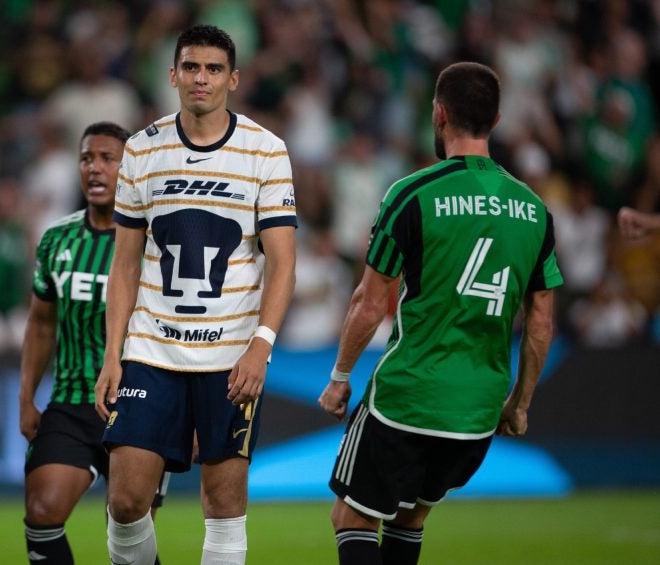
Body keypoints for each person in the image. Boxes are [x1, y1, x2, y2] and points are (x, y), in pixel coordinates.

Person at [318, 61, 563, 565]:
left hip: (409, 396)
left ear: (439, 114)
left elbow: (368, 303)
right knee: (410, 517)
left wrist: (341, 375)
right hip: (478, 408)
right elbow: (541, 320)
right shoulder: (535, 210)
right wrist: (520, 402)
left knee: (352, 517)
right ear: (496, 120)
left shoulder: (411, 195)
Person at [94, 24, 297, 565]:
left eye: (212, 69)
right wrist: (112, 354)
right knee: (125, 500)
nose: (199, 79)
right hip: (151, 349)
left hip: (230, 354)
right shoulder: (142, 148)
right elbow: (125, 263)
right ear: (172, 75)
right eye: (190, 67)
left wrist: (262, 344)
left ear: (233, 78)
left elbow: (283, 262)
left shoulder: (266, 151)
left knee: (224, 503)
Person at [20, 122, 170, 565]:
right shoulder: (56, 239)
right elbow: (41, 323)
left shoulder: (157, 244)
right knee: (41, 512)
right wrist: (26, 396)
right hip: (70, 400)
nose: (95, 168)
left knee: (127, 533)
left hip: (139, 400)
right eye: (87, 158)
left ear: (131, 168)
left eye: (108, 158)